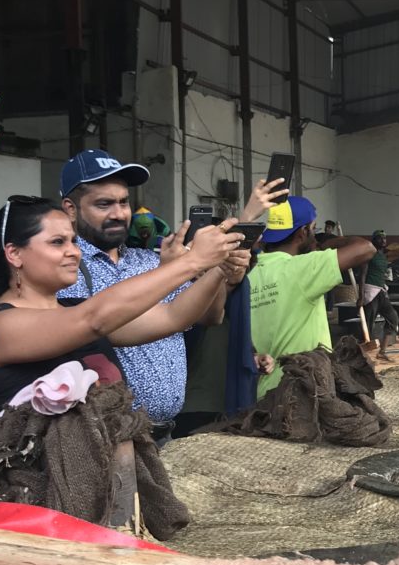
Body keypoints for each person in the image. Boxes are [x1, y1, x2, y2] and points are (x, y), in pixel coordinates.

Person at [0, 196, 243, 423]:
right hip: (34, 489)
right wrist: (192, 261)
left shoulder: (73, 309)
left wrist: (218, 269)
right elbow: (92, 320)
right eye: (57, 242)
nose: (73, 251)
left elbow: (173, 316)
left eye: (73, 241)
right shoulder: (1, 325)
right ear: (14, 253)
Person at [57, 149, 263, 446]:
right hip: (107, 440)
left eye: (124, 201)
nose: (119, 213)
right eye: (104, 204)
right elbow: (105, 327)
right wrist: (186, 266)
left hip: (164, 433)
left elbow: (210, 316)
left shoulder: (149, 261)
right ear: (71, 208)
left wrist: (218, 269)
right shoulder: (68, 268)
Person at [248, 195, 376, 399]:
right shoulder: (303, 268)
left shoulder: (249, 274)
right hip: (304, 393)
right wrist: (327, 244)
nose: (314, 236)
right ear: (303, 232)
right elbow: (366, 248)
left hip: (264, 394)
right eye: (313, 230)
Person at [362, 229, 399, 342]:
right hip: (370, 291)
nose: (383, 240)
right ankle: (365, 345)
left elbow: (382, 274)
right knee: (369, 322)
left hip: (381, 291)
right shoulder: (369, 254)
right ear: (374, 240)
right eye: (380, 238)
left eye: (384, 238)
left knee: (393, 318)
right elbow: (363, 274)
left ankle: (384, 344)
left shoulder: (382, 256)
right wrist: (360, 296)